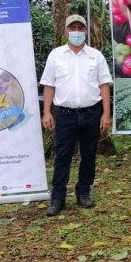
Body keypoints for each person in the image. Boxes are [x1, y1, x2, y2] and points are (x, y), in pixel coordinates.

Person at [40, 14, 112, 215]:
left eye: (81, 28)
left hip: (91, 113)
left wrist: (106, 114)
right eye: (73, 28)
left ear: (86, 32)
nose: (77, 32)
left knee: (89, 156)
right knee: (62, 156)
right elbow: (49, 85)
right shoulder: (55, 55)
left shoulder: (95, 56)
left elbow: (104, 85)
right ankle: (57, 198)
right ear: (65, 32)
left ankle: (84, 194)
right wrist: (46, 112)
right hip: (64, 114)